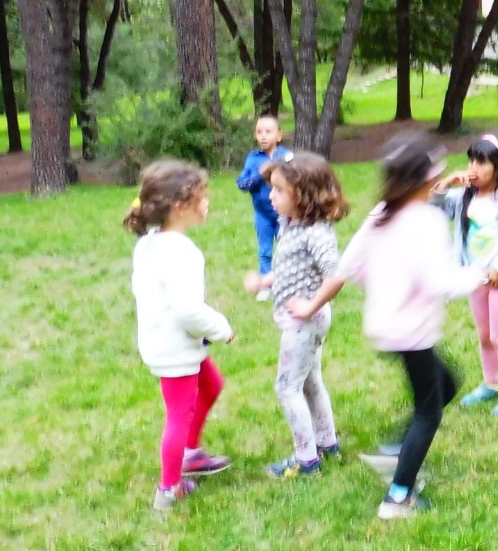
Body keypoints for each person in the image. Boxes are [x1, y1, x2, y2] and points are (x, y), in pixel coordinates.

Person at [313, 135, 488, 520]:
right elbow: (440, 283)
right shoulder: (426, 221)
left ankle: (396, 451)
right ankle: (398, 497)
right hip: (413, 332)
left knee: (447, 383)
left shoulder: (382, 213)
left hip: (385, 326)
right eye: (435, 174)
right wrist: (478, 272)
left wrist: (385, 287)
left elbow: (351, 266)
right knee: (429, 411)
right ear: (423, 180)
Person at [126, 160, 236, 511]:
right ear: (180, 207)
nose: (207, 203)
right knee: (177, 416)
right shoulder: (183, 252)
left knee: (212, 385)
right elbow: (188, 311)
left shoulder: (149, 243)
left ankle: (190, 454)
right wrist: (222, 328)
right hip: (175, 348)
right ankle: (169, 488)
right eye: (201, 198)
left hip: (164, 341)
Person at [243, 153, 349, 480]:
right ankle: (327, 443)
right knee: (311, 381)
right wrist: (265, 281)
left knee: (287, 388)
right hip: (305, 320)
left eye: (278, 191)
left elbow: (336, 275)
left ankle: (306, 460)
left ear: (303, 196)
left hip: (304, 323)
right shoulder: (292, 225)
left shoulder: (315, 232)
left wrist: (310, 306)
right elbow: (292, 268)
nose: (270, 197)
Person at [434, 134, 498, 418]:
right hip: (475, 279)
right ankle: (491, 384)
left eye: (481, 162)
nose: (473, 168)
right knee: (485, 336)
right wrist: (446, 184)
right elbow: (433, 208)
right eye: (471, 161)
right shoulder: (463, 198)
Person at [236, 115, 292, 301]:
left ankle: (287, 282)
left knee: (287, 249)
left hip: (285, 214)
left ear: (279, 135)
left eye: (268, 132)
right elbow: (242, 184)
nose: (263, 136)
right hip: (263, 214)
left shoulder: (286, 156)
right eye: (259, 132)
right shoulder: (253, 159)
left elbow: (296, 180)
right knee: (265, 250)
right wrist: (259, 175)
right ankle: (266, 286)